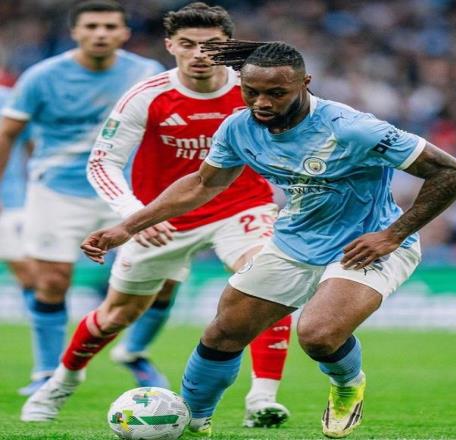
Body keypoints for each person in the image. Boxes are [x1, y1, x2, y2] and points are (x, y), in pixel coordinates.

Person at [31, 40, 456, 438]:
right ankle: (194, 423)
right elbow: (202, 184)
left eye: (276, 93)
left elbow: (452, 173)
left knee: (318, 334)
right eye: (251, 91)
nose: (261, 102)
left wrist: (393, 235)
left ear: (305, 84)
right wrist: (127, 226)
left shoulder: (353, 128)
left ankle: (347, 384)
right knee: (224, 332)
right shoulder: (238, 127)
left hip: (365, 244)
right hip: (294, 242)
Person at [20, 2, 292, 429]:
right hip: (162, 220)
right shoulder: (147, 95)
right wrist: (136, 216)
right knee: (116, 316)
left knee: (267, 277)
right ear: (170, 46)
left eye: (211, 45)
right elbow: (102, 163)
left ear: (228, 47)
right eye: (188, 44)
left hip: (241, 206)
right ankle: (60, 383)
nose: (199, 54)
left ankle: (263, 399)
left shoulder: (255, 88)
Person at [0, 0, 164, 395]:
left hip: (124, 192)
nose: (100, 33)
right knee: (51, 280)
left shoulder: (147, 74)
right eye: (91, 26)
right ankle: (46, 372)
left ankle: (134, 352)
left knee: (158, 278)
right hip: (57, 190)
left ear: (125, 33)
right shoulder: (42, 77)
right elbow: (8, 133)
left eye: (110, 26)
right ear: (75, 32)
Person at [0, 87, 36, 392]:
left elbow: (33, 146)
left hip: (11, 202)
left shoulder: (11, 99)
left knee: (29, 275)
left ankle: (46, 363)